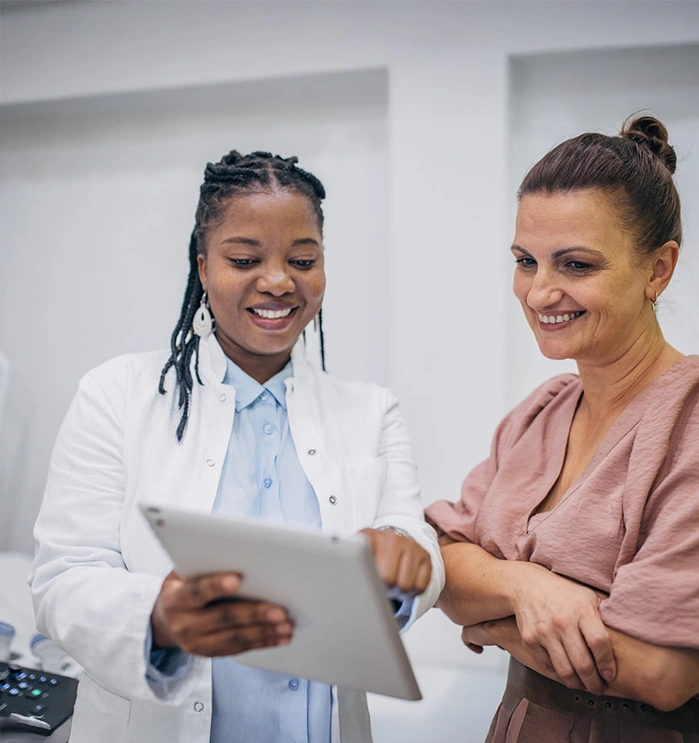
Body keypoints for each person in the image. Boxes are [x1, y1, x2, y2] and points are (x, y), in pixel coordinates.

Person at [29, 150, 444, 743]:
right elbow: (62, 579)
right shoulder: (114, 395)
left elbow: (411, 535)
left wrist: (406, 557)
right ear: (203, 268)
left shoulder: (371, 411)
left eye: (303, 259)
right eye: (245, 259)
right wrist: (158, 617)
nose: (277, 281)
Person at [425, 116, 699, 742]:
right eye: (526, 261)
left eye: (575, 264)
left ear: (658, 269)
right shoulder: (540, 413)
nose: (540, 292)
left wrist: (489, 621)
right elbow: (439, 560)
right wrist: (527, 586)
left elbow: (663, 669)